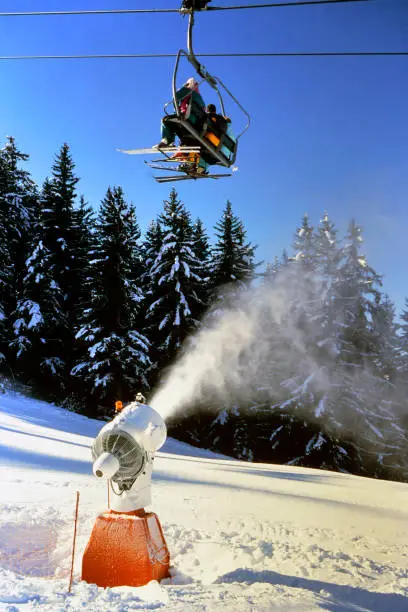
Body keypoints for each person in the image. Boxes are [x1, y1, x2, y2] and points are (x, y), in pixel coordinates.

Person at [154, 77, 206, 149]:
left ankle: (167, 141)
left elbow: (175, 97)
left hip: (186, 118)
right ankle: (183, 143)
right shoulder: (201, 100)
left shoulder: (187, 90)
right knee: (176, 126)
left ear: (189, 84)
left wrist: (177, 109)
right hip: (196, 125)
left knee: (165, 120)